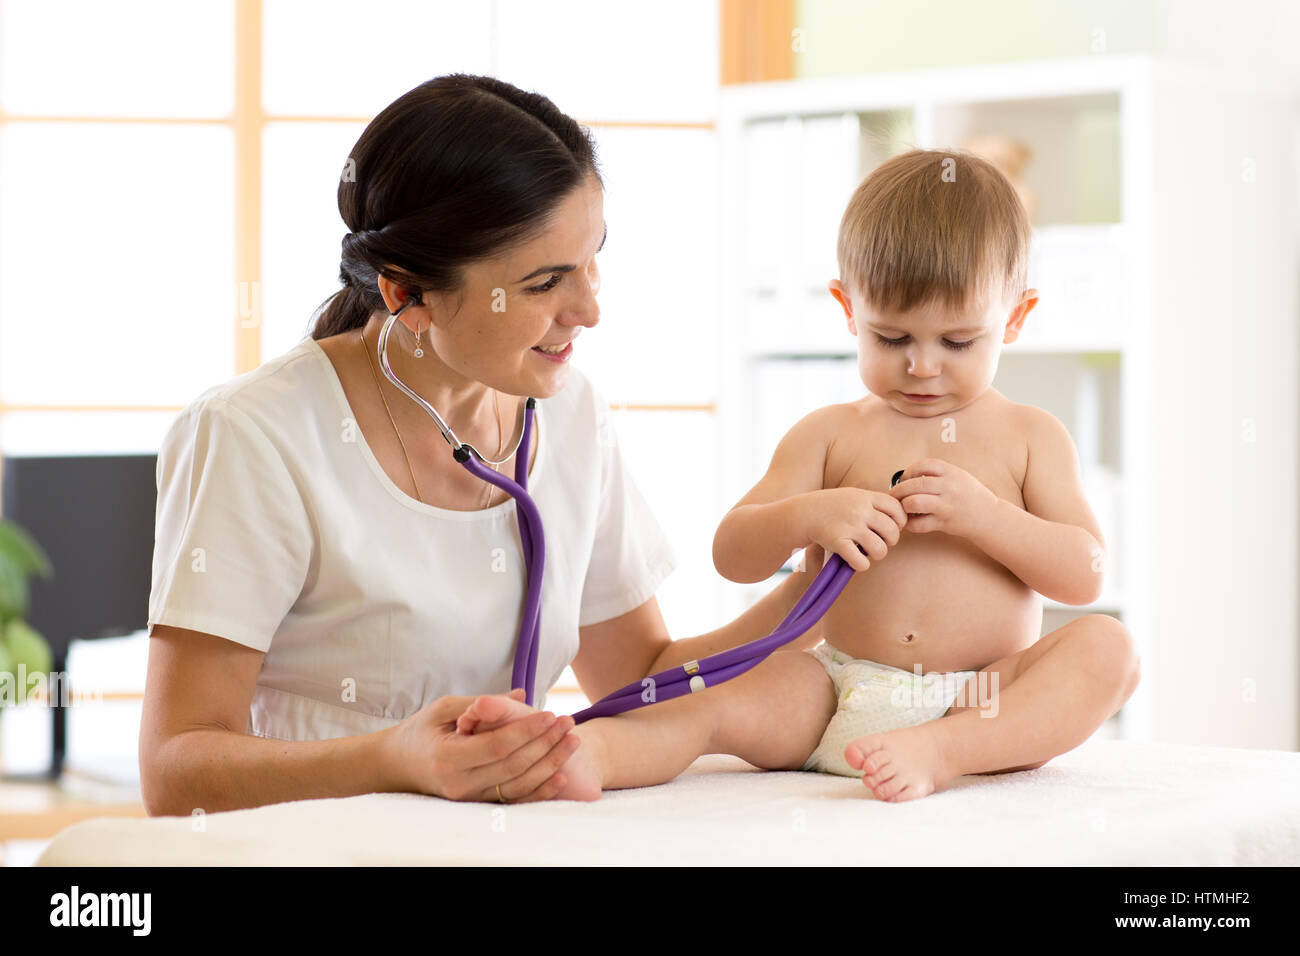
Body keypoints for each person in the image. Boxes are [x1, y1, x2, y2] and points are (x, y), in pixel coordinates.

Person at [138, 74, 824, 815]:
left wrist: (815, 585)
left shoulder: (571, 413)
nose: (590, 308)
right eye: (544, 283)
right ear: (408, 295)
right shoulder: (256, 435)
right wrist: (394, 758)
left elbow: (642, 675)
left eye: (592, 259)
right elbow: (177, 771)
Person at [468, 148, 1141, 802]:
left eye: (957, 342)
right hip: (836, 688)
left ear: (1016, 318)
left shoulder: (1031, 437)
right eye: (892, 338)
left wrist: (988, 517)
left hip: (979, 696)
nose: (923, 366)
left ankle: (941, 753)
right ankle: (586, 755)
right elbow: (733, 554)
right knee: (712, 707)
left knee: (1108, 650)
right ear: (849, 310)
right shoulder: (831, 433)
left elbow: (1082, 573)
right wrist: (809, 516)